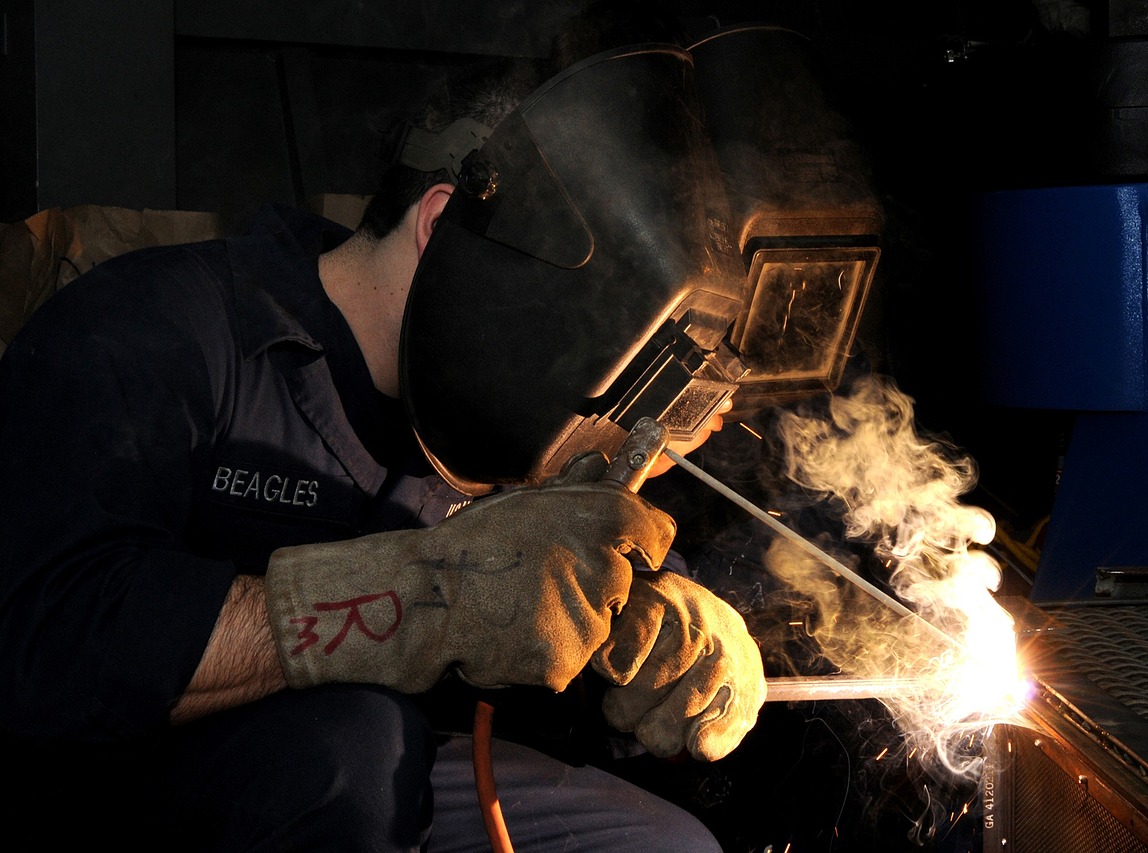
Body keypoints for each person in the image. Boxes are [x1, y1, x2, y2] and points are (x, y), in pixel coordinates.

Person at [0, 53, 765, 851]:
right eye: (568, 314)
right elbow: (44, 641)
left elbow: (550, 586)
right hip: (122, 781)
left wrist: (661, 629)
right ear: (441, 229)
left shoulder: (502, 414)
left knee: (663, 845)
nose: (576, 357)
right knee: (349, 752)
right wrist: (420, 597)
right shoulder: (156, 328)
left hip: (397, 772)